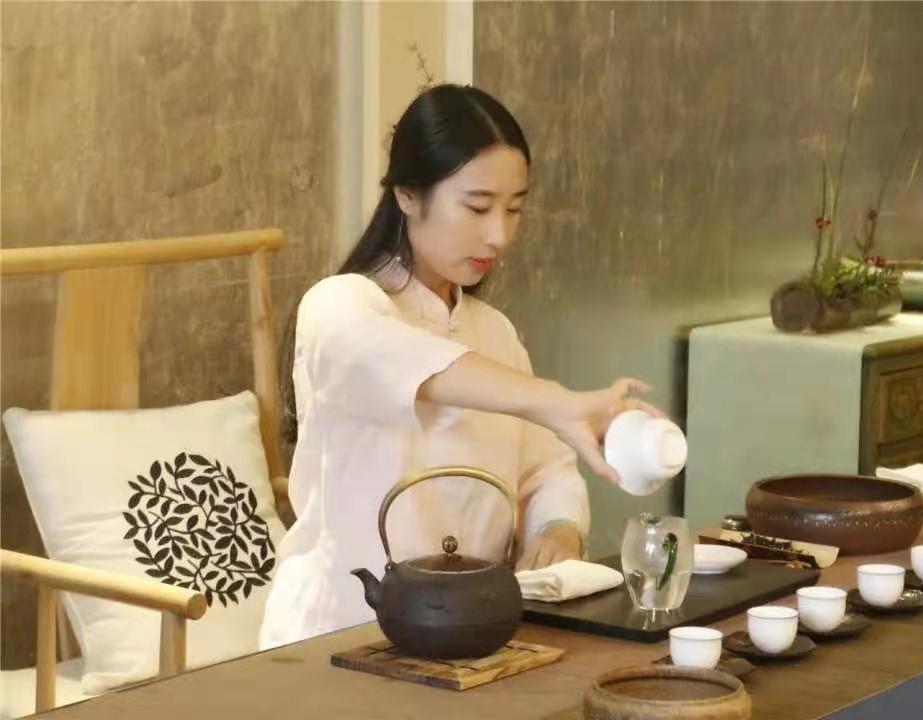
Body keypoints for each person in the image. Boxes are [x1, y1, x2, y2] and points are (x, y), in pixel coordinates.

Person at [259, 84, 660, 649]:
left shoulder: (494, 333)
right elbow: (407, 363)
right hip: (338, 636)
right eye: (476, 207)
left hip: (472, 634)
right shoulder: (338, 306)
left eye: (514, 209)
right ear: (407, 194)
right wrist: (560, 401)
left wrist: (558, 529)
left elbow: (545, 470)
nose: (499, 234)